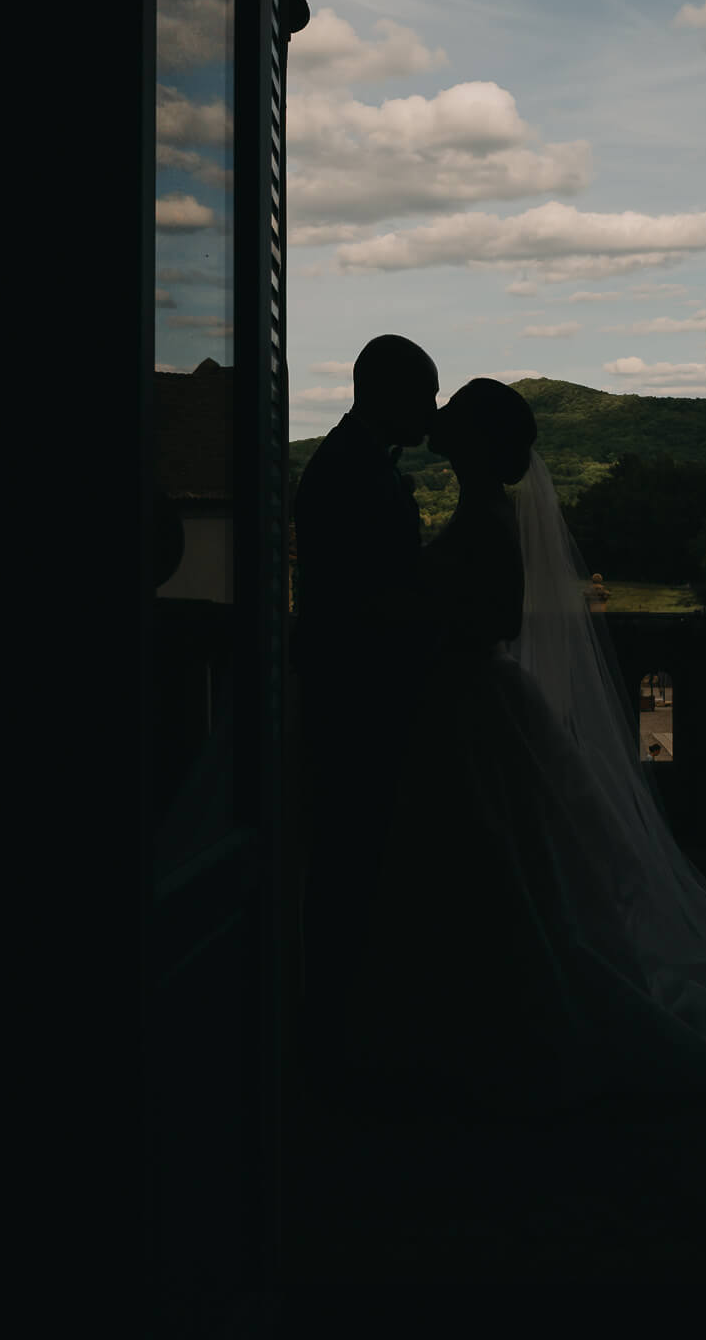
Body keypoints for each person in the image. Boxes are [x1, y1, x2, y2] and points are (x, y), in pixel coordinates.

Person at [340, 378, 706, 1139]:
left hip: (469, 699)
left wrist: (424, 612)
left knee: (495, 860)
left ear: (474, 439)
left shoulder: (485, 512)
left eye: (451, 415)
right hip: (471, 701)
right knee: (496, 860)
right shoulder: (482, 507)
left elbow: (492, 614)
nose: (438, 421)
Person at [292, 333, 440, 1098]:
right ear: (386, 394)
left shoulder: (354, 463)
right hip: (355, 700)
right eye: (425, 394)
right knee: (350, 860)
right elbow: (360, 600)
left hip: (359, 694)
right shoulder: (350, 472)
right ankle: (334, 1036)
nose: (433, 410)